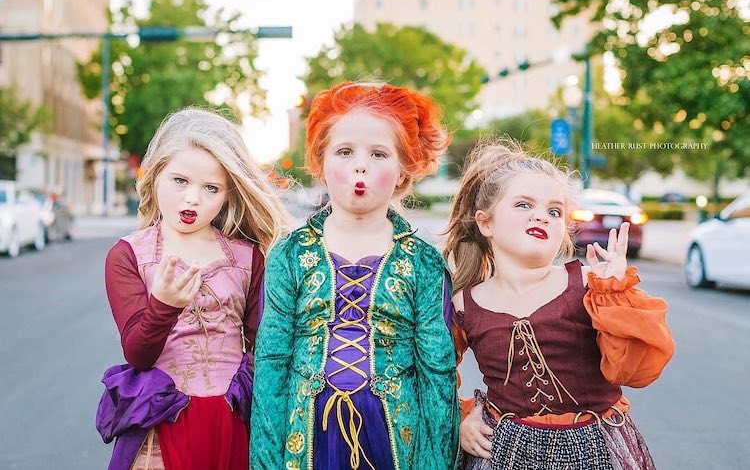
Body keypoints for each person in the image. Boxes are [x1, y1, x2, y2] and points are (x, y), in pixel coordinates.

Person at [251, 81, 459, 470]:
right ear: (320, 164)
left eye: (379, 154)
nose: (359, 165)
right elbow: (271, 363)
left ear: (402, 172)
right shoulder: (290, 254)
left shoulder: (423, 262)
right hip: (308, 438)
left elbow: (437, 373)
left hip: (395, 437)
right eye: (344, 151)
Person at [444, 142, 674, 470]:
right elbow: (432, 377)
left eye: (555, 211)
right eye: (523, 204)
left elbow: (635, 371)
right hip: (503, 452)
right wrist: (463, 418)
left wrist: (614, 298)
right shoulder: (463, 304)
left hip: (598, 447)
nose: (541, 215)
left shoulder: (589, 285)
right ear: (486, 223)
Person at [95, 107, 289, 470]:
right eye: (179, 181)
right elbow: (139, 354)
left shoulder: (249, 258)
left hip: (232, 421)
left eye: (210, 188)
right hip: (161, 427)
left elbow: (264, 347)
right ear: (154, 177)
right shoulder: (127, 256)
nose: (192, 199)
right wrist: (164, 305)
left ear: (228, 193)